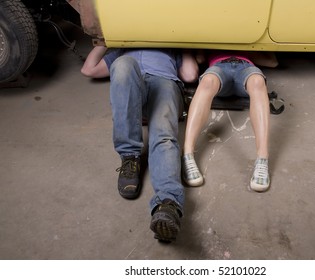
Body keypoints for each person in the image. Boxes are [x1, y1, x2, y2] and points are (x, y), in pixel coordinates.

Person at [81, 46, 198, 242]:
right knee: (123, 65)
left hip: (165, 85)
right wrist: (104, 41)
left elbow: (191, 74)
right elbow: (89, 70)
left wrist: (182, 43)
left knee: (164, 135)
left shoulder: (170, 50)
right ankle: (130, 157)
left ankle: (168, 203)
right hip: (132, 95)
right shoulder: (121, 52)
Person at [182, 50, 277, 191]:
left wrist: (250, 49)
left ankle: (262, 159)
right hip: (219, 67)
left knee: (258, 81)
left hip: (246, 68)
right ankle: (187, 154)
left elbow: (272, 62)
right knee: (207, 81)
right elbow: (200, 58)